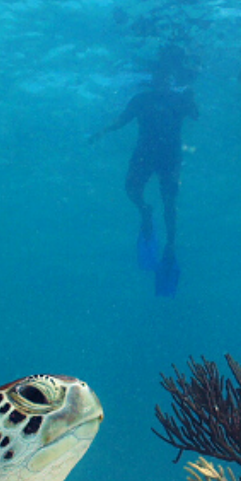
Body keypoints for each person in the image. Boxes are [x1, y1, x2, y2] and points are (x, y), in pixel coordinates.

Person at [91, 44, 200, 296]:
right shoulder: (141, 99)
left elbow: (195, 115)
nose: (162, 80)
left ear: (172, 79)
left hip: (170, 157)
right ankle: (145, 212)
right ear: (152, 79)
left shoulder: (179, 98)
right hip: (144, 154)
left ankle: (171, 245)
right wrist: (103, 131)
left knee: (170, 202)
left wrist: (192, 99)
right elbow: (122, 120)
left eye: (166, 77)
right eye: (158, 76)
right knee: (131, 189)